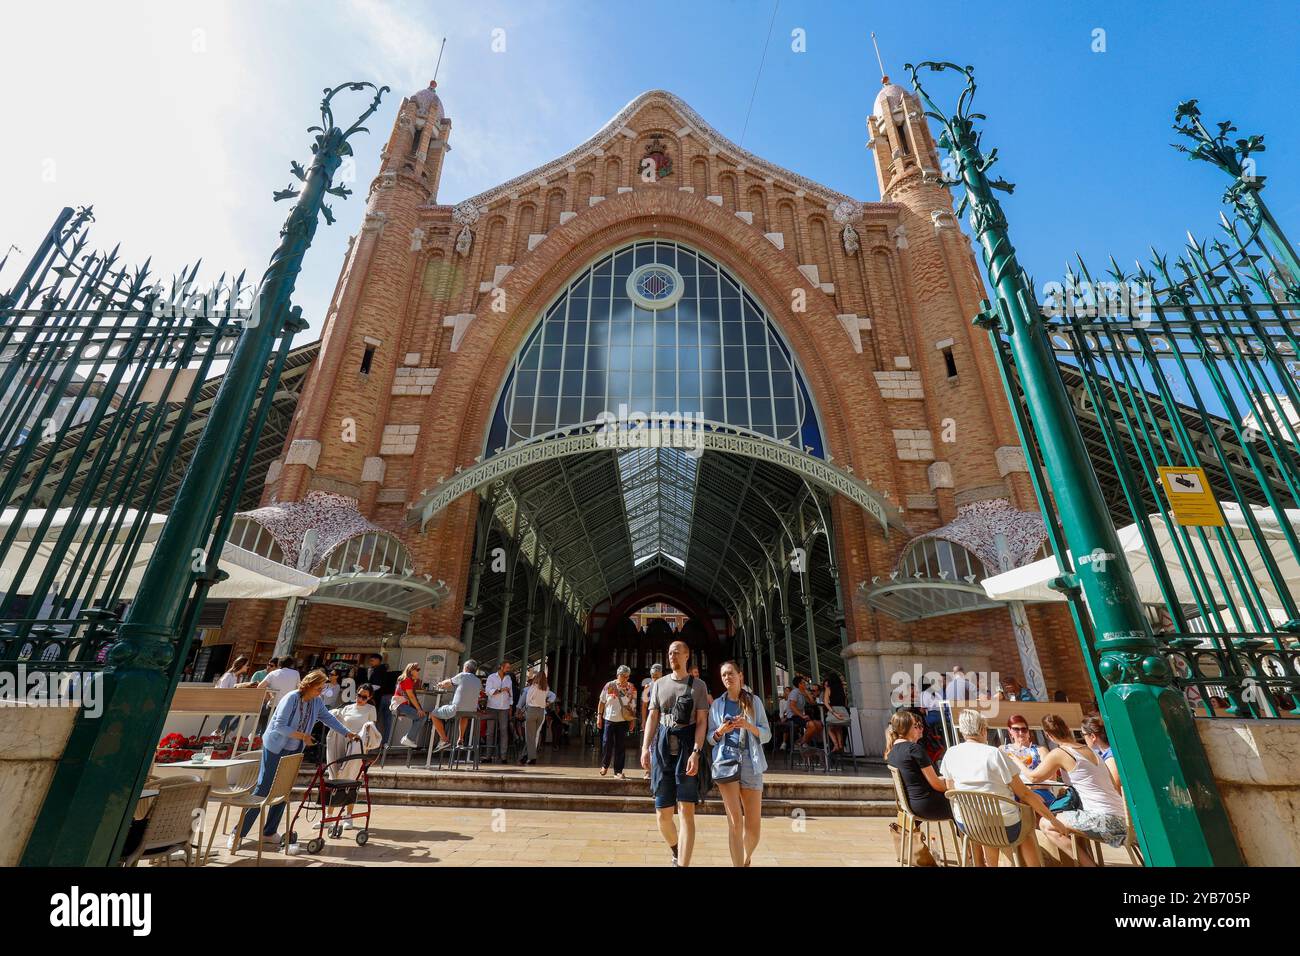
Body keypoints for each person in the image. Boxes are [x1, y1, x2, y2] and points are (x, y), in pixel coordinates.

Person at [231, 669, 358, 852]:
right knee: (264, 787)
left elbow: (328, 719)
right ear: (308, 686)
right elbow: (279, 725)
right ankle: (239, 832)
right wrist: (303, 736)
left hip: (293, 749)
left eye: (322, 688)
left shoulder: (316, 702)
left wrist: (347, 733)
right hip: (275, 746)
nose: (320, 692)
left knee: (284, 788)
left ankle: (269, 831)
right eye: (318, 688)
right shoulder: (291, 698)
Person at [939, 709, 1067, 867]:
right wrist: (1053, 820)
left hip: (968, 825)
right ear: (982, 729)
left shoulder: (950, 754)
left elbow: (951, 791)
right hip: (1005, 827)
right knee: (1025, 827)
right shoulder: (993, 753)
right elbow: (1025, 794)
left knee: (987, 825)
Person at [1026, 713, 1129, 865]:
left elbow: (1034, 777)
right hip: (1124, 820)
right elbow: (1112, 786)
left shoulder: (1061, 752)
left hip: (1105, 822)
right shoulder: (1094, 752)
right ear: (1068, 728)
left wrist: (1016, 761)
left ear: (1048, 735)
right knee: (1072, 816)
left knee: (1046, 823)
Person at [641, 640, 710, 867]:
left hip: (687, 748)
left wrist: (696, 752)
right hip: (662, 750)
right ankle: (676, 849)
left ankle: (683, 864)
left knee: (686, 810)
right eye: (670, 652)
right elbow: (653, 717)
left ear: (687, 655)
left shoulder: (698, 686)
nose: (672, 656)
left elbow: (701, 722)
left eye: (677, 652)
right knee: (662, 814)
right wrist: (645, 748)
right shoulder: (659, 684)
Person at [707, 660, 771, 867]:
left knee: (753, 828)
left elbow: (767, 734)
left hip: (751, 761)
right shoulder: (717, 704)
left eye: (731, 673)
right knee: (735, 822)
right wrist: (720, 732)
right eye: (724, 674)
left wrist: (748, 726)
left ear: (740, 675)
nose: (727, 677)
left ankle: (745, 859)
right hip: (725, 760)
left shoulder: (754, 702)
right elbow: (710, 737)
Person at [326, 683, 379, 827]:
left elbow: (370, 731)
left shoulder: (370, 709)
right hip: (342, 743)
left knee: (352, 780)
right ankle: (328, 816)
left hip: (358, 748)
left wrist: (366, 753)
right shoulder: (347, 708)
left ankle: (348, 816)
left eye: (364, 697)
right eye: (358, 695)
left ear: (370, 698)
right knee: (334, 777)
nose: (360, 699)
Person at [884, 710, 951, 822]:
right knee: (963, 804)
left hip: (911, 805)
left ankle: (970, 838)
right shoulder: (914, 749)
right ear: (906, 728)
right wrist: (954, 788)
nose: (920, 728)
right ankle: (974, 838)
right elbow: (937, 785)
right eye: (915, 726)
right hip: (927, 805)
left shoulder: (892, 751)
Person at [1000, 714, 1054, 805]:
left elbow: (1051, 779)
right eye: (1016, 729)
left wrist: (1031, 788)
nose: (1021, 733)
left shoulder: (1040, 750)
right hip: (1012, 793)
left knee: (1027, 800)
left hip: (1038, 791)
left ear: (1028, 732)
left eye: (1024, 729)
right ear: (1010, 731)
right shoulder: (1003, 750)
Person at [430, 659, 482, 751]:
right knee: (464, 715)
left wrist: (440, 684)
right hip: (471, 712)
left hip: (456, 709)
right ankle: (460, 739)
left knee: (433, 714)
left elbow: (447, 683)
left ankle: (444, 740)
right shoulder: (478, 681)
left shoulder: (463, 675)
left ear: (465, 668)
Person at [596, 665, 638, 777]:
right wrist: (599, 716)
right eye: (622, 676)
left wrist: (633, 721)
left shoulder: (631, 687)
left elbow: (633, 706)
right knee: (606, 744)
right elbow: (602, 702)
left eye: (626, 676)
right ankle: (605, 765)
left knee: (621, 746)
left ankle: (618, 771)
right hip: (609, 719)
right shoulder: (609, 686)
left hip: (623, 720)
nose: (624, 678)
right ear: (617, 675)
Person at [390, 662, 431, 748]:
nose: (418, 671)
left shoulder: (406, 679)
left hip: (398, 705)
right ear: (411, 671)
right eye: (417, 670)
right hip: (400, 705)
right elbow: (411, 696)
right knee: (422, 717)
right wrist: (419, 709)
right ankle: (408, 739)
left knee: (420, 717)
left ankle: (408, 739)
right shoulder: (407, 680)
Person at [1081, 713, 1121, 793]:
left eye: (1083, 734)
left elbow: (1115, 788)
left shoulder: (1111, 758)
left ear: (1092, 737)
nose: (1083, 738)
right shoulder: (1100, 753)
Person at [521, 670, 553, 764]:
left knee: (530, 736)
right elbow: (550, 698)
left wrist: (525, 709)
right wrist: (546, 703)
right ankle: (524, 756)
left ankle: (532, 758)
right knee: (533, 736)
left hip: (532, 710)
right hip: (541, 712)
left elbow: (528, 699)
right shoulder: (546, 688)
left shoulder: (534, 687)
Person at [213, 656, 249, 739]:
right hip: (221, 701)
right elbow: (222, 691)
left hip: (231, 702)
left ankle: (226, 732)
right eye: (247, 665)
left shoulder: (239, 677)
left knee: (247, 712)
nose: (248, 666)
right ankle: (218, 731)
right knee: (236, 709)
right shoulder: (228, 676)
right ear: (241, 665)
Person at [485, 660, 514, 764]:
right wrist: (501, 690)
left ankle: (503, 757)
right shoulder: (491, 677)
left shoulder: (508, 678)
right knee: (490, 732)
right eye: (507, 667)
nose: (508, 669)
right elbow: (488, 691)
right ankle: (488, 756)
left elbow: (511, 693)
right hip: (492, 707)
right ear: (501, 667)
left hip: (505, 708)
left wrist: (510, 705)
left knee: (504, 731)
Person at [357, 653, 392, 738]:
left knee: (375, 719)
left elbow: (377, 685)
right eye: (370, 660)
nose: (370, 662)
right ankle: (384, 742)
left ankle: (373, 740)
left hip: (380, 698)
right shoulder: (380, 669)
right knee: (386, 721)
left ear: (378, 660)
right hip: (387, 697)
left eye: (372, 660)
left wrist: (366, 690)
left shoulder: (379, 670)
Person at [787, 674, 822, 748]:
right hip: (793, 716)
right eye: (803, 683)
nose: (805, 684)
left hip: (800, 716)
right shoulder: (795, 692)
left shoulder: (802, 692)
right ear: (799, 684)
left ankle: (802, 741)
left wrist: (807, 693)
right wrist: (802, 716)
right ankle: (801, 744)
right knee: (812, 725)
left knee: (819, 724)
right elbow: (792, 706)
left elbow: (812, 703)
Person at [821, 671, 851, 753]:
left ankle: (836, 745)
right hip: (844, 713)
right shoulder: (842, 689)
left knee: (828, 727)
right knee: (838, 727)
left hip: (834, 711)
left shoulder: (828, 688)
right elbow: (845, 702)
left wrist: (834, 713)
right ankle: (841, 745)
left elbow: (826, 702)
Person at [640, 662, 663, 729]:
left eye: (656, 676)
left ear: (661, 674)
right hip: (652, 717)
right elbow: (644, 705)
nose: (654, 678)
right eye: (653, 676)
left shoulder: (666, 685)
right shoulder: (647, 687)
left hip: (663, 718)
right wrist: (644, 720)